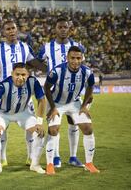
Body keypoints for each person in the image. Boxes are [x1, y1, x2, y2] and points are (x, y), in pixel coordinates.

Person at [0, 20, 42, 167]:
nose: (11, 31)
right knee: (1, 128)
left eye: (13, 28)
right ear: (4, 32)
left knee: (31, 127)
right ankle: (3, 158)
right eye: (8, 29)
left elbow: (34, 63)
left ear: (17, 31)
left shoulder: (25, 47)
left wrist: (48, 67)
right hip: (4, 95)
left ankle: (31, 156)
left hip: (24, 95)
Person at [37, 17, 86, 168]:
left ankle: (73, 156)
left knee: (74, 123)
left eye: (66, 27)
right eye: (60, 27)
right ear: (55, 29)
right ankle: (56, 157)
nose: (63, 29)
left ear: (69, 29)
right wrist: (50, 72)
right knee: (54, 125)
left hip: (73, 94)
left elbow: (82, 65)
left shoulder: (77, 46)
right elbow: (37, 61)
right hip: (54, 93)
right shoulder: (47, 47)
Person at [44, 46, 99, 175]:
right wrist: (52, 107)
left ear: (82, 58)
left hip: (74, 103)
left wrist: (84, 106)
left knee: (88, 128)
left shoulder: (87, 72)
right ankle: (50, 164)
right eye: (73, 58)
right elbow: (46, 88)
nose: (75, 61)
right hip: (56, 103)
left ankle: (89, 163)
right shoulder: (57, 71)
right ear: (67, 58)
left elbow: (90, 87)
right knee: (53, 129)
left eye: (78, 58)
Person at [0, 63, 46, 175]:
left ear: (28, 74)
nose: (20, 77)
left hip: (23, 113)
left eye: (23, 74)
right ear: (12, 74)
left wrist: (39, 122)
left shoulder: (33, 82)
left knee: (40, 133)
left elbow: (42, 100)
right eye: (17, 74)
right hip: (4, 113)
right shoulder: (4, 85)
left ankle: (35, 164)